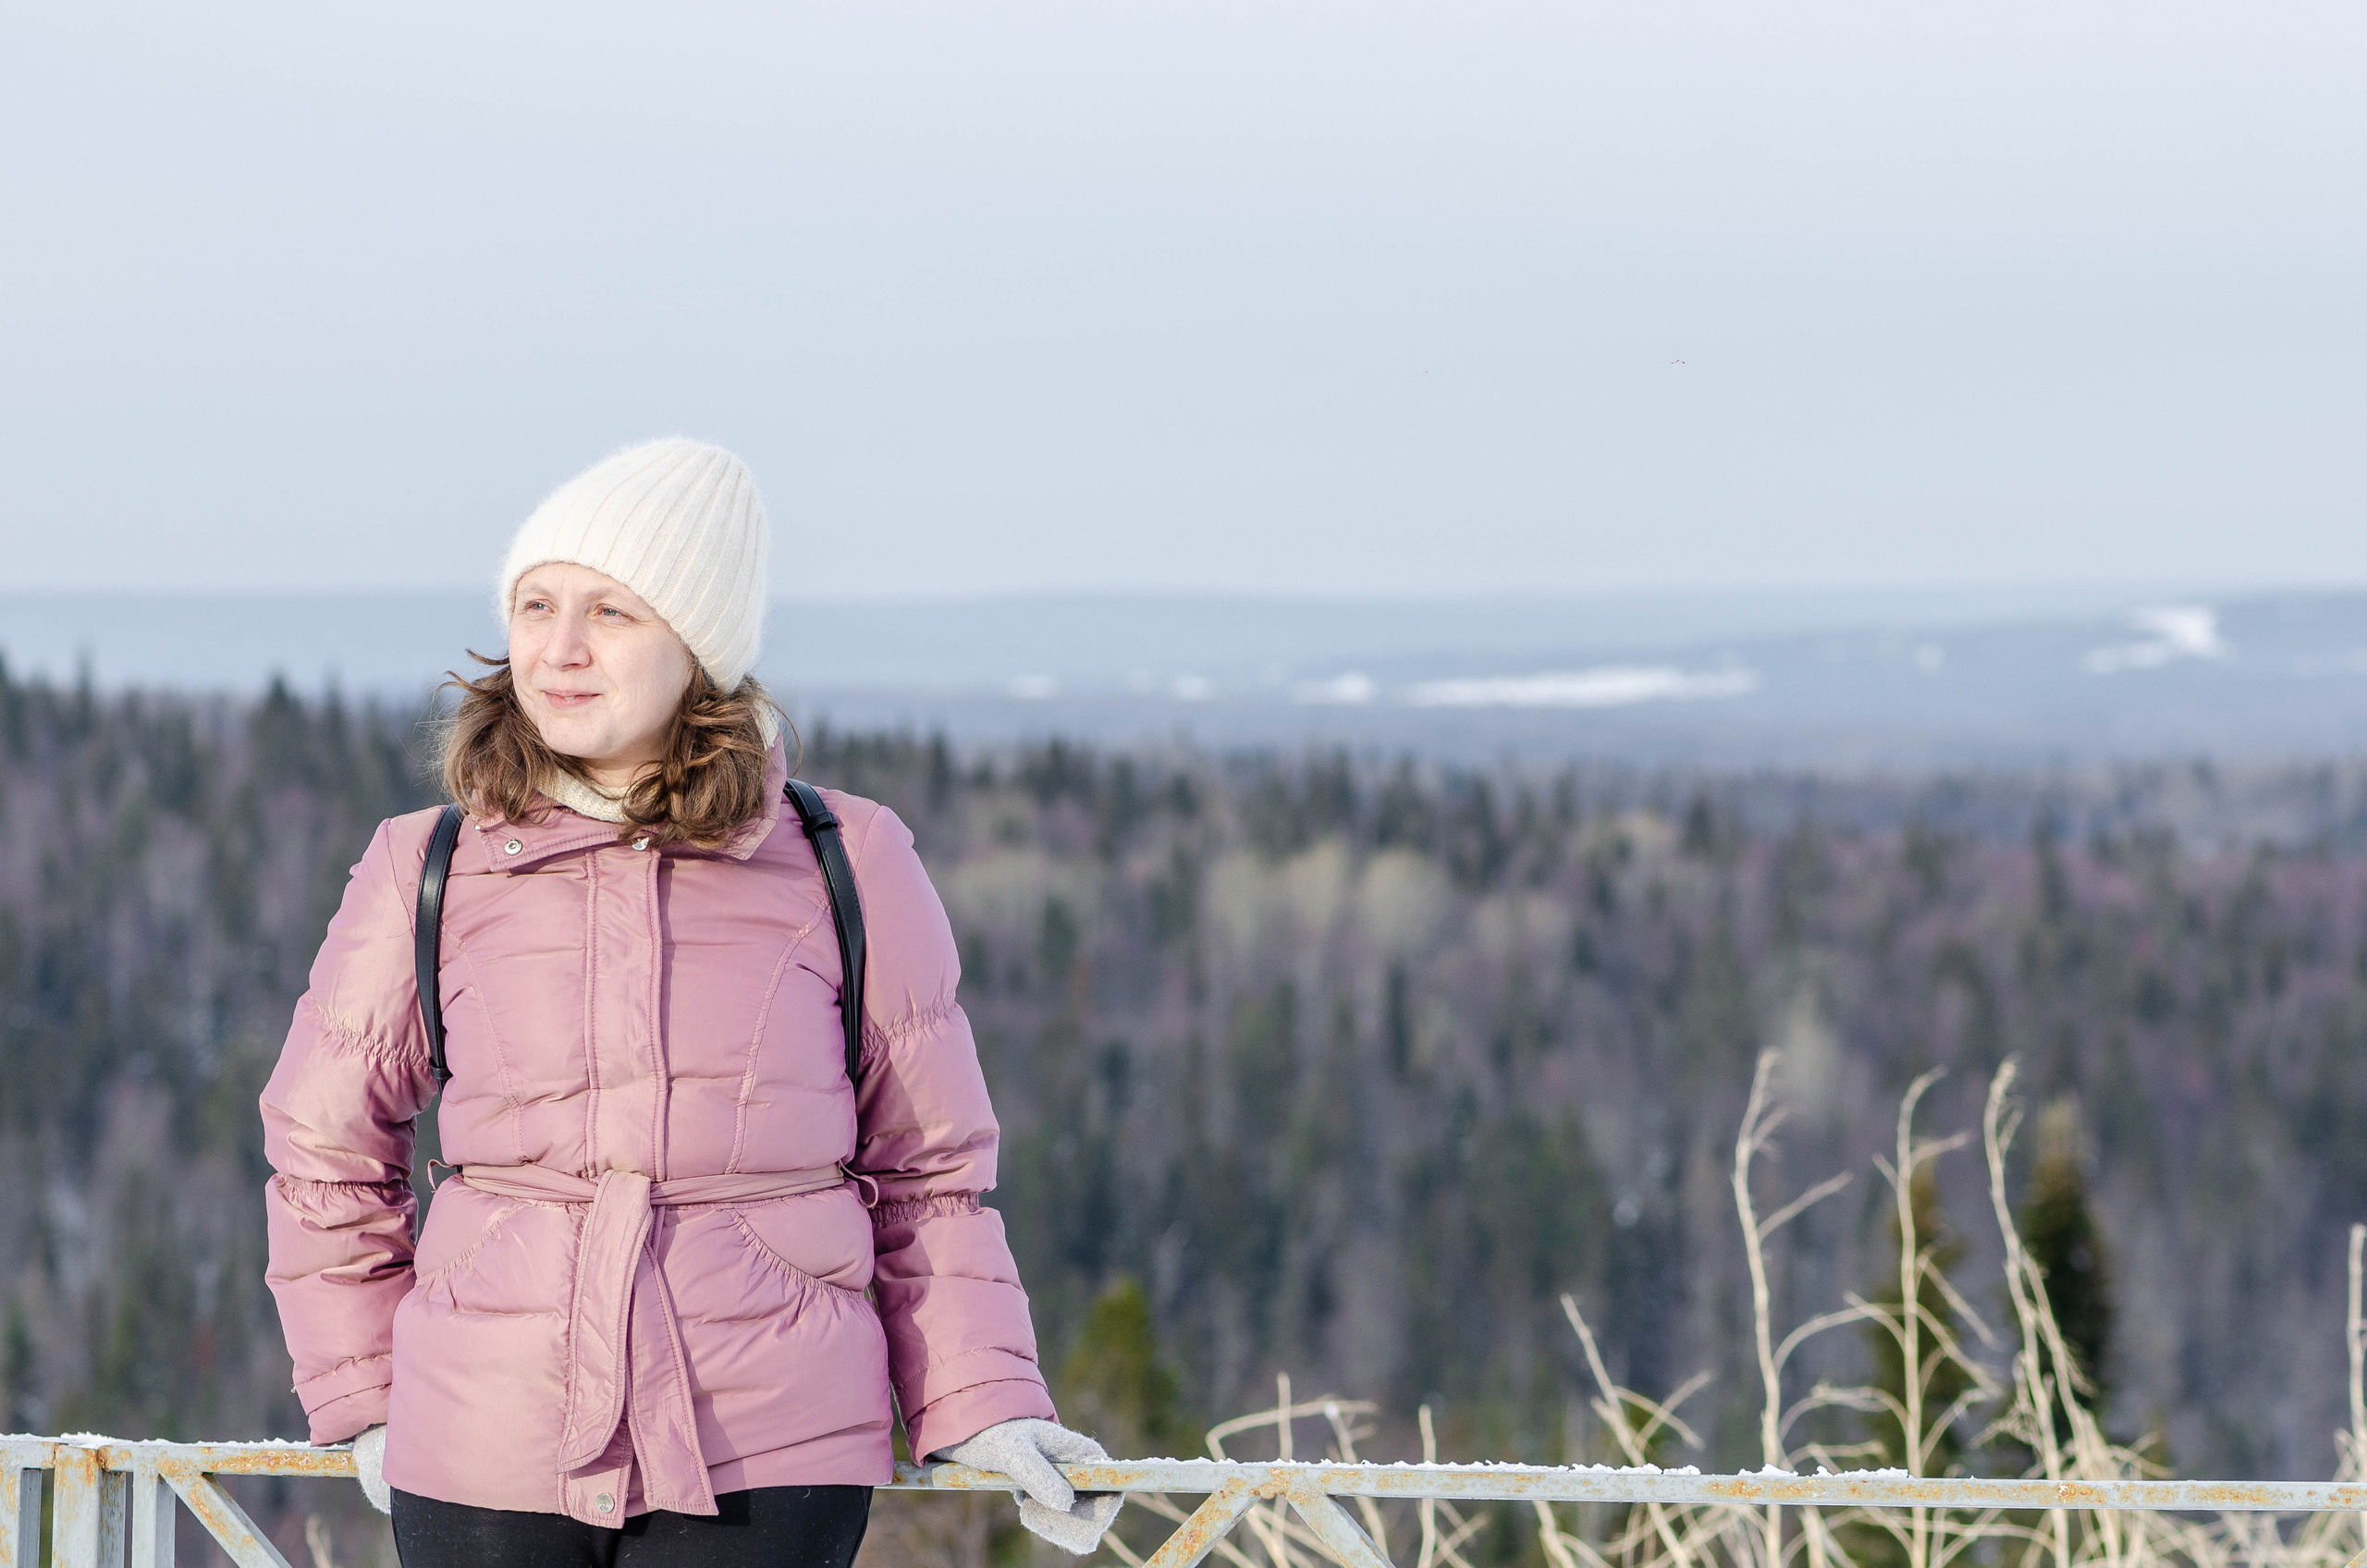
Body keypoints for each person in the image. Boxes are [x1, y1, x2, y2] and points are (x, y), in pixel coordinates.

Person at [260, 439, 1124, 1566]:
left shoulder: (842, 856)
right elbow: (323, 1149)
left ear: (697, 645)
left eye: (612, 612)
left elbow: (929, 1171)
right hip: (485, 1435)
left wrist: (979, 1397)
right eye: (535, 605)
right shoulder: (423, 862)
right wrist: (371, 1393)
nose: (559, 650)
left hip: (770, 1439)